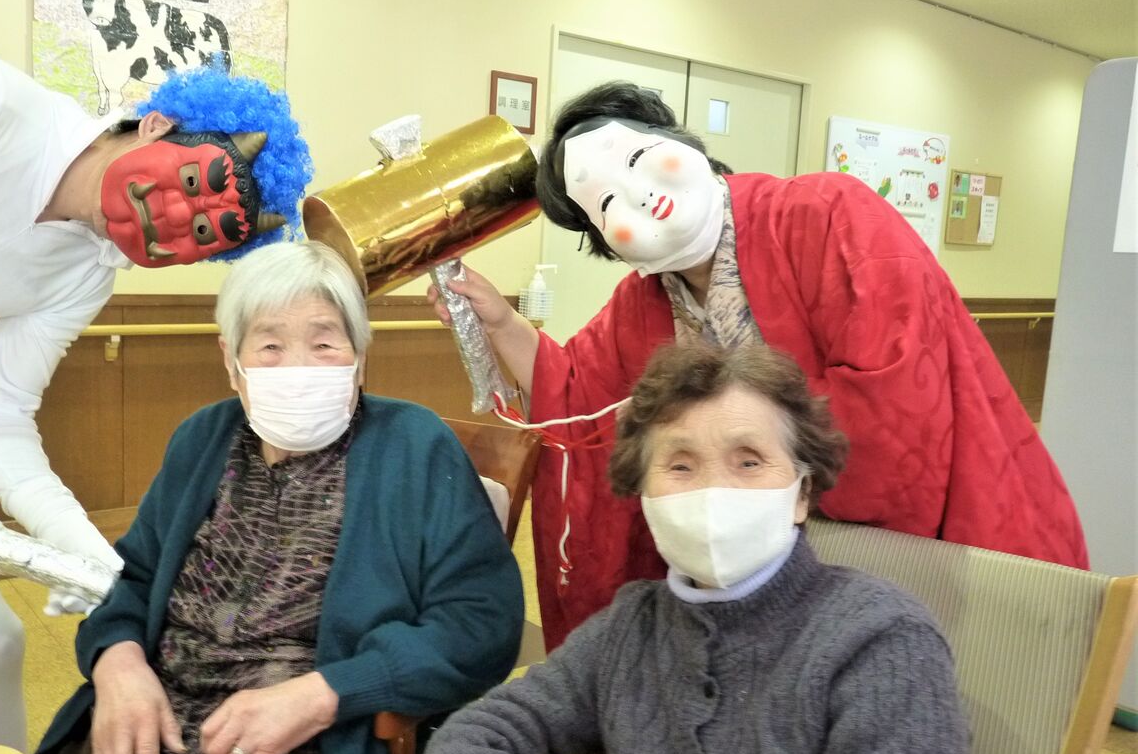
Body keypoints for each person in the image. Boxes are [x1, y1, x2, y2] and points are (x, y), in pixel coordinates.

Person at [431, 81, 1085, 648]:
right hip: (775, 568)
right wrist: (503, 323)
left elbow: (897, 414)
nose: (638, 195)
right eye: (605, 206)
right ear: (606, 243)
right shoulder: (643, 300)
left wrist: (757, 492)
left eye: (635, 160)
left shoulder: (827, 214)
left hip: (941, 538)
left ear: (681, 144)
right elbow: (583, 398)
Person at [0, 52, 311, 748]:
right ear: (156, 125)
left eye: (198, 235)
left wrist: (91, 560)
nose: (165, 223)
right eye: (191, 184)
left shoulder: (84, 272)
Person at [35, 240, 524, 754]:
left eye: (325, 343)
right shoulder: (202, 438)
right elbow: (134, 579)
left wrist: (325, 694)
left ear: (360, 357)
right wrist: (118, 664)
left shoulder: (413, 446)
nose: (299, 367)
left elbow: (481, 627)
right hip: (149, 727)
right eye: (269, 345)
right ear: (231, 360)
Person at [417, 342, 991, 754]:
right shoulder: (633, 627)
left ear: (802, 493)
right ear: (642, 493)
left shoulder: (880, 644)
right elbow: (479, 735)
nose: (715, 489)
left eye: (749, 460)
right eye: (680, 465)